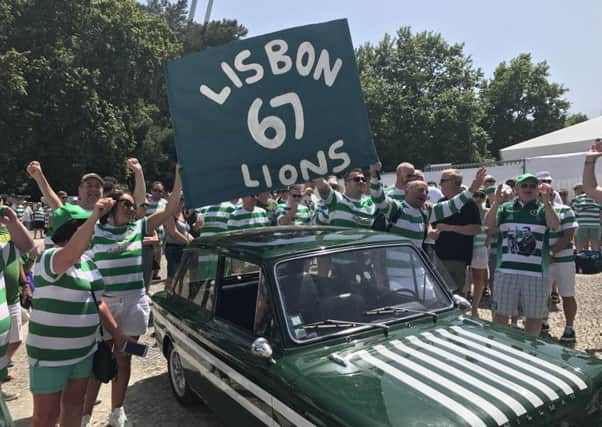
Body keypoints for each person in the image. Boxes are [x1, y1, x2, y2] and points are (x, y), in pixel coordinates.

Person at [81, 164, 182, 427]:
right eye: (124, 204)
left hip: (135, 302)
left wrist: (178, 176)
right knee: (100, 356)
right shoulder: (96, 230)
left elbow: (170, 210)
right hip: (106, 304)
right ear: (112, 207)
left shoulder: (138, 228)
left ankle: (117, 411)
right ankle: (84, 415)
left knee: (125, 355)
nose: (130, 208)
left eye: (131, 205)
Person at [27, 201, 128, 427]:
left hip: (83, 351)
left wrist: (118, 333)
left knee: (74, 406)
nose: (92, 231)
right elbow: (69, 255)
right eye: (86, 227)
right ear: (72, 229)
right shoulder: (49, 258)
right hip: (50, 355)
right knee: (46, 416)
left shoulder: (88, 263)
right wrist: (94, 217)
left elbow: (98, 302)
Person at [485, 174, 560, 336]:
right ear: (516, 189)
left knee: (534, 317)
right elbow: (488, 224)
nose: (528, 189)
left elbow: (555, 225)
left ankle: (528, 350)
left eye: (532, 186)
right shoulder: (505, 208)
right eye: (524, 185)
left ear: (537, 189)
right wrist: (496, 203)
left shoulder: (543, 209)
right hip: (506, 272)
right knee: (501, 315)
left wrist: (547, 203)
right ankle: (500, 348)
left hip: (536, 274)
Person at [0, 207, 35, 400]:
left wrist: (12, 221)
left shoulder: (4, 241)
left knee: (15, 340)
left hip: (10, 300)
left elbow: (28, 248)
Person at [433, 169, 483, 293]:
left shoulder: (469, 204)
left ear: (455, 183)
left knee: (453, 295)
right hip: (438, 257)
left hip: (457, 259)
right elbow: (433, 225)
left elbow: (476, 229)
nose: (440, 184)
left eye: (443, 181)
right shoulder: (441, 202)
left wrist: (450, 228)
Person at [543, 191, 578, 342]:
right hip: (544, 260)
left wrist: (552, 253)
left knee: (567, 294)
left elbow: (569, 234)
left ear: (552, 194)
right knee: (543, 293)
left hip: (564, 260)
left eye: (548, 193)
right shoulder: (535, 211)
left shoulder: (565, 210)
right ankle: (543, 321)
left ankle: (569, 327)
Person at [163, 195, 193, 291]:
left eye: (182, 200)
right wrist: (188, 241)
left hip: (183, 248)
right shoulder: (168, 214)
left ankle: (178, 297)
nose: (181, 202)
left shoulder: (182, 214)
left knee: (181, 278)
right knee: (172, 276)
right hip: (173, 249)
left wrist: (193, 240)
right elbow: (173, 233)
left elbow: (186, 232)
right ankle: (167, 298)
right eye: (179, 200)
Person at [469, 190, 489, 317]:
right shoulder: (467, 211)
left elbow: (492, 229)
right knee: (466, 280)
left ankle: (475, 307)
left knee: (478, 279)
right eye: (476, 195)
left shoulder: (487, 212)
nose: (479, 198)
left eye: (482, 195)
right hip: (465, 247)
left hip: (480, 248)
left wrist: (487, 240)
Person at [146, 181, 167, 281]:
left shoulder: (165, 203)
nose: (157, 192)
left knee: (158, 255)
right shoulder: (146, 203)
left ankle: (155, 274)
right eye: (155, 190)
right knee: (149, 256)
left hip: (160, 235)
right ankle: (148, 274)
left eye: (160, 191)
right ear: (151, 191)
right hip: (148, 235)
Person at [571, 183, 601, 251]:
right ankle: (588, 260)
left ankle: (588, 260)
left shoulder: (578, 199)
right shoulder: (578, 198)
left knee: (591, 249)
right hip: (589, 225)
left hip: (589, 225)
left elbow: (575, 212)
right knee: (588, 248)